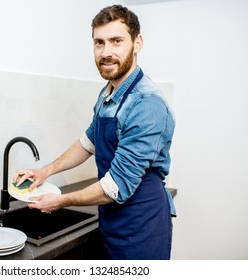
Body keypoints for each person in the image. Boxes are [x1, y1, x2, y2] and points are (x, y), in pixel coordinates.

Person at [13, 4, 176, 260]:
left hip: (141, 225)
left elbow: (115, 187)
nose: (106, 52)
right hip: (112, 219)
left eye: (116, 41)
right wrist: (46, 171)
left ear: (137, 43)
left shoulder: (147, 104)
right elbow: (89, 141)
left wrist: (59, 201)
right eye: (99, 43)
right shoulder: (108, 92)